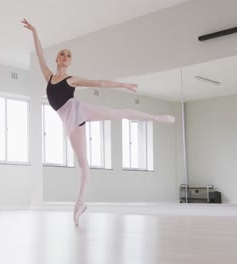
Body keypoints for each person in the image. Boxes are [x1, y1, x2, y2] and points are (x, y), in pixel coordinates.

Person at [22, 18, 175, 226]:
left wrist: (123, 85)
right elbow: (39, 54)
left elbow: (100, 83)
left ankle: (155, 117)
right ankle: (79, 205)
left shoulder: (71, 80)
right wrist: (34, 31)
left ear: (70, 62)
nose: (65, 57)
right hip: (70, 122)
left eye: (69, 55)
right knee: (83, 163)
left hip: (79, 109)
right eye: (62, 54)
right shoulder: (48, 76)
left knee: (117, 113)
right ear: (56, 59)